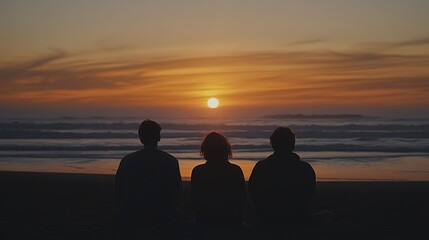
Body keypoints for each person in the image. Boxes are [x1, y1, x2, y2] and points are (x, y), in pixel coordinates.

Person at [115, 119, 183, 239]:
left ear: (141, 138)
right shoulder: (170, 161)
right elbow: (177, 194)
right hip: (162, 216)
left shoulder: (127, 160)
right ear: (158, 138)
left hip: (132, 215)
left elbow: (119, 191)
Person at [248, 127, 316, 238]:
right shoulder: (305, 168)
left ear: (272, 144)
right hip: (295, 219)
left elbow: (253, 194)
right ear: (292, 144)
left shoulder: (261, 167)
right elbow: (308, 196)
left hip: (267, 219)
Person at [191, 132, 246, 236]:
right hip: (231, 222)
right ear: (226, 150)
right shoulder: (235, 170)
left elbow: (194, 202)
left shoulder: (198, 171)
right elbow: (242, 200)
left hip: (205, 222)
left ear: (205, 150)